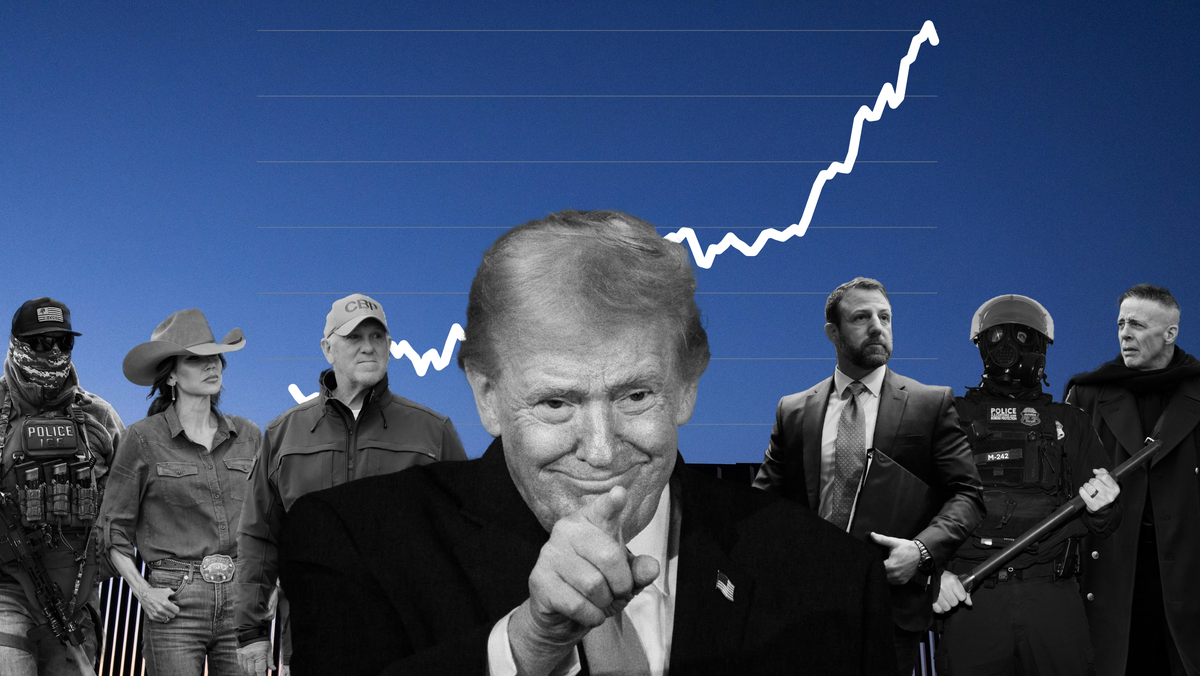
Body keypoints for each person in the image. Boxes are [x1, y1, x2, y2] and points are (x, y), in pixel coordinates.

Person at [277, 209, 896, 676]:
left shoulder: (836, 579)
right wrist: (525, 647)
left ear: (687, 385)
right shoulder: (351, 543)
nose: (601, 451)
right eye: (556, 403)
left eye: (635, 397)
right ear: (487, 395)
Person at [752, 276, 985, 675]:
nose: (878, 326)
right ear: (833, 332)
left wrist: (921, 551)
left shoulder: (930, 404)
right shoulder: (793, 411)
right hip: (805, 607)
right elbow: (763, 507)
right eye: (862, 317)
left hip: (890, 607)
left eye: (885, 317)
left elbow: (967, 495)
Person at [235, 293, 467, 676]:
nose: (368, 347)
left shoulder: (433, 431)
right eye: (354, 338)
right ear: (328, 348)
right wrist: (251, 630)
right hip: (316, 642)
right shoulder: (283, 434)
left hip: (413, 646)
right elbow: (259, 537)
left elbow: (466, 538)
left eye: (378, 337)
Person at [933, 294, 1121, 675]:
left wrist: (1106, 506)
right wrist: (933, 578)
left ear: (1040, 348)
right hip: (971, 598)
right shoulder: (947, 418)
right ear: (983, 346)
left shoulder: (1072, 422)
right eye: (997, 337)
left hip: (1052, 597)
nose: (1007, 348)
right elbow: (909, 509)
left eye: (1020, 338)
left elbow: (1107, 522)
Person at [97, 309, 260, 675]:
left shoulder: (249, 436)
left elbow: (267, 520)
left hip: (241, 596)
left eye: (215, 356)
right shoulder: (142, 438)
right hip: (175, 598)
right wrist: (143, 592)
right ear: (170, 374)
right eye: (195, 358)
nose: (211, 365)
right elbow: (113, 530)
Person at [1064, 284, 1200, 676]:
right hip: (1112, 566)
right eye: (1121, 323)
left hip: (1187, 569)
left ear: (1170, 334)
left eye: (1137, 324)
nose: (1125, 333)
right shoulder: (1087, 393)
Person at [0, 297, 124, 675]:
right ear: (16, 343)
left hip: (77, 593)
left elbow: (128, 502)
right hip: (7, 584)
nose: (52, 352)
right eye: (39, 342)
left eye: (63, 342)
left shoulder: (98, 416)